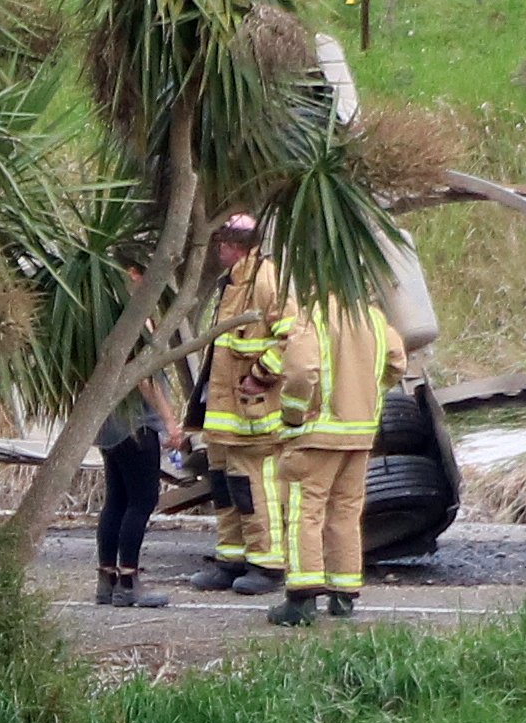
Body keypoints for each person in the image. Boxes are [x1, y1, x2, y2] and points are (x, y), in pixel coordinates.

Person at [266, 285, 400, 627]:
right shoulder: (374, 317)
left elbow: (300, 371)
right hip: (359, 435)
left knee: (304, 512)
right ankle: (343, 596)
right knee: (346, 513)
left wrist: (293, 414)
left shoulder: (314, 316)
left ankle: (301, 598)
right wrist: (369, 397)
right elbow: (396, 362)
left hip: (317, 436)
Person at [188, 216, 288, 595]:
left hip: (252, 411)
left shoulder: (266, 280)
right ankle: (231, 558)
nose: (218, 250)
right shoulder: (232, 283)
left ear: (237, 245)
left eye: (223, 243)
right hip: (224, 413)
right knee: (224, 485)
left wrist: (260, 375)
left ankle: (266, 563)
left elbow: (290, 339)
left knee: (252, 487)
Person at [92, 366, 175, 607]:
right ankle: (128, 580)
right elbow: (145, 379)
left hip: (110, 425)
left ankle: (106, 578)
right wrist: (169, 422)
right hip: (137, 424)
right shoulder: (141, 329)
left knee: (116, 500)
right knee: (142, 500)